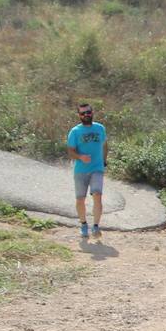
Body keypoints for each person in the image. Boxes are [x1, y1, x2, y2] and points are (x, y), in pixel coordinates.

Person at [66, 103, 108, 240]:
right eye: (82, 113)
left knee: (97, 195)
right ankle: (84, 224)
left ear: (92, 112)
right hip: (80, 170)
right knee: (80, 199)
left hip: (97, 168)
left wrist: (104, 161)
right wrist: (80, 157)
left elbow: (104, 145)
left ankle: (95, 226)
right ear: (79, 115)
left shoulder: (100, 128)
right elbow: (70, 151)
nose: (86, 115)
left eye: (88, 112)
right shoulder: (75, 131)